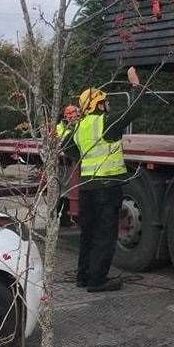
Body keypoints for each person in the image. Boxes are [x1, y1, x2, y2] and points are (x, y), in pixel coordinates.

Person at [66, 67, 143, 293]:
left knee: (88, 233)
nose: (108, 104)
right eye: (105, 101)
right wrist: (136, 85)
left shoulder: (79, 127)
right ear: (98, 105)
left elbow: (69, 150)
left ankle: (83, 277)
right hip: (106, 188)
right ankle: (98, 280)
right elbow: (134, 109)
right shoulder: (104, 123)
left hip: (87, 188)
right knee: (105, 235)